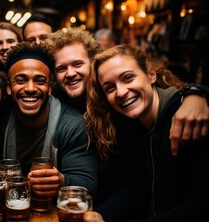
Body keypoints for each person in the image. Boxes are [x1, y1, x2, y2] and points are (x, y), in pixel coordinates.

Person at [83, 44, 209, 222]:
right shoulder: (134, 124)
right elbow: (136, 188)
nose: (121, 92)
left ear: (151, 75)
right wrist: (99, 214)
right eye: (110, 88)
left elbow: (201, 207)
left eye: (127, 78)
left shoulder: (186, 116)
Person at [46, 27, 209, 156]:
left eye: (77, 64)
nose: (70, 73)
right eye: (61, 68)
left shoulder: (117, 102)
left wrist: (196, 94)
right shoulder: (53, 101)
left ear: (91, 63)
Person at [0, 42, 98, 197]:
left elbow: (88, 182)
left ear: (50, 88)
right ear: (9, 88)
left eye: (40, 81)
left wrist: (62, 181)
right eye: (20, 80)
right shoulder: (0, 120)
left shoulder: (73, 125)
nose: (30, 88)